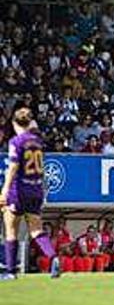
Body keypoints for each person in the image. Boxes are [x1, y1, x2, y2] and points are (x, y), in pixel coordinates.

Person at [1, 104, 61, 279]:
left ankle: (11, 272)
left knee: (11, 229)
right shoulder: (38, 142)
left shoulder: (16, 142)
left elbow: (13, 167)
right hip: (35, 189)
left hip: (18, 190)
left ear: (14, 123)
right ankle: (53, 257)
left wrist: (4, 189)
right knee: (36, 230)